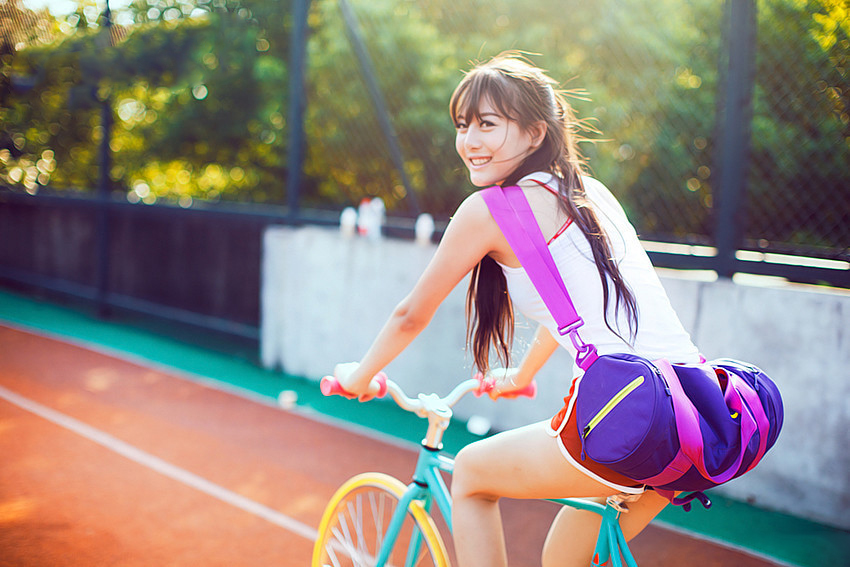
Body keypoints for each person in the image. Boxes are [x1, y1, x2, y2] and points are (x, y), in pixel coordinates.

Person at [332, 52, 701, 567]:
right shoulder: (590, 195)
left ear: (534, 133)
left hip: (635, 416)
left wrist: (360, 375)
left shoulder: (488, 211)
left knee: (473, 475)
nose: (470, 141)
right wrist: (523, 373)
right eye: (463, 125)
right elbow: (574, 310)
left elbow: (411, 314)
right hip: (694, 414)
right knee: (563, 559)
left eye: (487, 124)